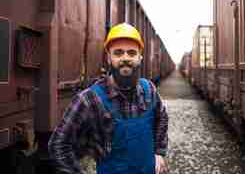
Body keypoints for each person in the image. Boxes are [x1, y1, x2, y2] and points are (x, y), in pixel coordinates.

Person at [48, 23, 169, 174]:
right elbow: (58, 144)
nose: (125, 58)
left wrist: (159, 152)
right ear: (108, 57)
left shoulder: (149, 90)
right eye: (118, 53)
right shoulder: (90, 99)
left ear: (140, 57)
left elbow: (162, 117)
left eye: (131, 53)